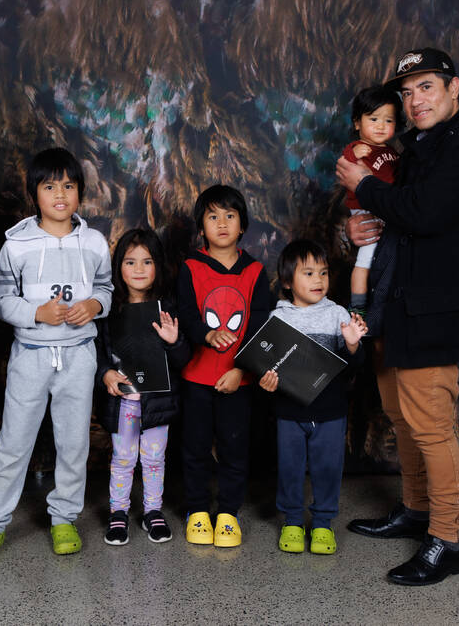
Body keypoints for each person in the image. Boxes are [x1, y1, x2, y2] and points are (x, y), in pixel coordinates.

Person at [335, 47, 459, 586]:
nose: (413, 101)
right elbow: (391, 217)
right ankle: (416, 510)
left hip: (435, 309)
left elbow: (428, 212)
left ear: (454, 87)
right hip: (394, 301)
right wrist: (355, 228)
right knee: (400, 414)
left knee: (431, 426)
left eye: (425, 86)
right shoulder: (415, 146)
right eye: (406, 93)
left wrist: (364, 186)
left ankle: (447, 541)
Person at [0, 147, 113, 561]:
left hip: (78, 357)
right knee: (14, 442)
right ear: (36, 193)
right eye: (50, 186)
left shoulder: (95, 242)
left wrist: (95, 306)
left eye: (69, 186)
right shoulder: (17, 244)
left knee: (73, 443)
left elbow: (106, 289)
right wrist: (36, 312)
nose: (60, 194)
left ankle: (64, 517)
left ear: (80, 193)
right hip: (30, 356)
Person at [177, 184, 272, 548]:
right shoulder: (191, 267)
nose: (221, 224)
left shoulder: (255, 272)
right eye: (212, 216)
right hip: (197, 378)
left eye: (229, 216)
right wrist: (205, 334)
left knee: (234, 448)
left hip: (238, 379)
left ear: (242, 225)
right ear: (202, 227)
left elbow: (261, 325)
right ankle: (198, 511)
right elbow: (185, 313)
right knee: (196, 447)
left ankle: (228, 513)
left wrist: (242, 370)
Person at [258, 239, 366, 555]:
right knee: (290, 467)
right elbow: (268, 368)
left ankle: (322, 525)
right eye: (308, 273)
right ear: (288, 281)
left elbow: (355, 368)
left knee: (327, 468)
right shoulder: (277, 319)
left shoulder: (338, 315)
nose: (318, 280)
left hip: (331, 412)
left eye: (323, 272)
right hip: (290, 413)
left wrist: (352, 345)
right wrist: (267, 382)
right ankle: (292, 521)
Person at [95, 228, 190, 546]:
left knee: (153, 458)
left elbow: (183, 359)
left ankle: (152, 512)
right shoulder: (109, 311)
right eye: (130, 261)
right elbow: (97, 352)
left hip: (156, 404)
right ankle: (118, 512)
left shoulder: (168, 309)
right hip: (123, 402)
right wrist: (106, 373)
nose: (138, 269)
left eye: (147, 262)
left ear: (158, 266)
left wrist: (174, 342)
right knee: (123, 458)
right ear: (118, 266)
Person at [341, 86, 401, 317]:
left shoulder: (394, 153)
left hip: (388, 212)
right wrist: (354, 155)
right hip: (365, 211)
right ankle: (357, 305)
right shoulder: (356, 149)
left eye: (388, 120)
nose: (380, 126)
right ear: (357, 123)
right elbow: (346, 167)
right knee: (366, 258)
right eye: (373, 119)